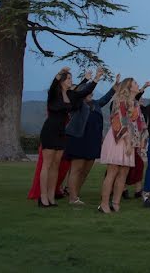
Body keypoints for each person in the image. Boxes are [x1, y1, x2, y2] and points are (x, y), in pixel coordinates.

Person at [36, 67, 101, 207]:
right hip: (50, 130)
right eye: (69, 79)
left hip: (62, 132)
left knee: (55, 165)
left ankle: (51, 196)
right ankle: (43, 197)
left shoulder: (70, 95)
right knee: (47, 165)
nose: (71, 81)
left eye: (71, 79)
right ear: (62, 81)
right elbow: (54, 84)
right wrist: (59, 73)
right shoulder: (54, 93)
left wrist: (95, 79)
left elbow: (83, 91)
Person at [63, 71, 120, 206]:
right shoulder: (76, 104)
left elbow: (105, 99)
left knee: (85, 171)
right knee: (76, 169)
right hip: (78, 139)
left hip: (93, 141)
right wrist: (92, 80)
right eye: (89, 91)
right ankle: (72, 197)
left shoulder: (95, 104)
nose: (91, 93)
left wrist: (114, 88)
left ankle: (75, 193)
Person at [98, 78, 148, 213]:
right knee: (113, 171)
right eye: (136, 83)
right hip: (118, 139)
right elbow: (120, 121)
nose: (138, 85)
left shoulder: (136, 104)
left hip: (130, 141)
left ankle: (116, 203)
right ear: (129, 87)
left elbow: (140, 124)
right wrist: (127, 141)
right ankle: (104, 204)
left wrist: (139, 142)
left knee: (124, 173)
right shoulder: (120, 101)